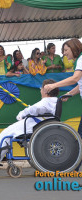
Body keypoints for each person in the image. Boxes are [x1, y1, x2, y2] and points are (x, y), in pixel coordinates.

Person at [0, 79, 59, 164]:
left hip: (33, 126)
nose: (40, 90)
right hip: (36, 124)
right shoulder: (54, 100)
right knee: (7, 133)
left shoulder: (46, 101)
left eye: (41, 88)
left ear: (46, 91)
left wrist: (22, 113)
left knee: (6, 133)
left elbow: (36, 109)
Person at [44, 38, 82, 171]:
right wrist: (69, 94)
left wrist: (54, 85)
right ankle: (75, 166)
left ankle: (74, 166)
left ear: (74, 48)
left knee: (80, 135)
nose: (64, 54)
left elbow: (75, 78)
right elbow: (80, 85)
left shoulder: (81, 59)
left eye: (66, 50)